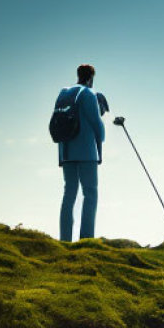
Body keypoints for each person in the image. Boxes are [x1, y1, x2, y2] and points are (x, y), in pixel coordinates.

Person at [58, 63, 106, 241]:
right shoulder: (88, 94)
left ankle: (65, 239)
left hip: (67, 151)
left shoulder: (64, 92)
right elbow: (97, 125)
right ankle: (86, 239)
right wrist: (102, 137)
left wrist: (62, 154)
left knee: (69, 193)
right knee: (90, 193)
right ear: (90, 78)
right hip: (86, 151)